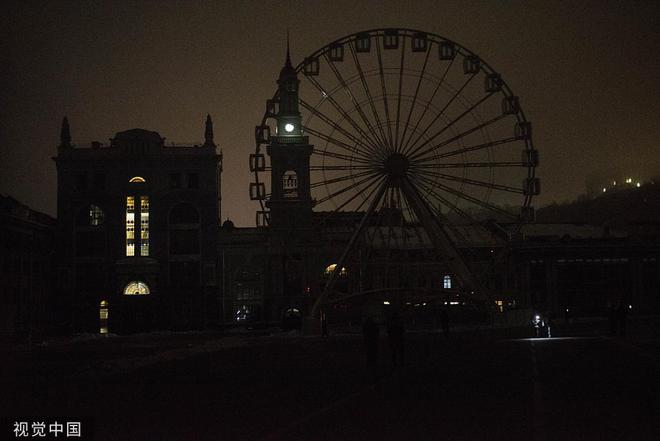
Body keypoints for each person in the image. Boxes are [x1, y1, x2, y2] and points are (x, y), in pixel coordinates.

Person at [363, 317, 380, 385]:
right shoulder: (374, 327)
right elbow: (377, 332)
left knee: (369, 354)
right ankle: (373, 365)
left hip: (369, 342)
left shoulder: (366, 327)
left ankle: (369, 365)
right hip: (373, 342)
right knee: (373, 354)